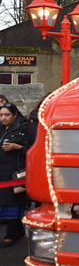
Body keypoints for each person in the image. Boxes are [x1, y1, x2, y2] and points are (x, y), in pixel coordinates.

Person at [0, 103, 29, 247]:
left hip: (13, 173)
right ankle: (16, 230)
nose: (3, 118)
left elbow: (29, 151)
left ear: (15, 115)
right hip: (1, 172)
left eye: (7, 115)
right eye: (1, 115)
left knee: (13, 203)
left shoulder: (23, 129)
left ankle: (11, 234)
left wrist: (16, 147)